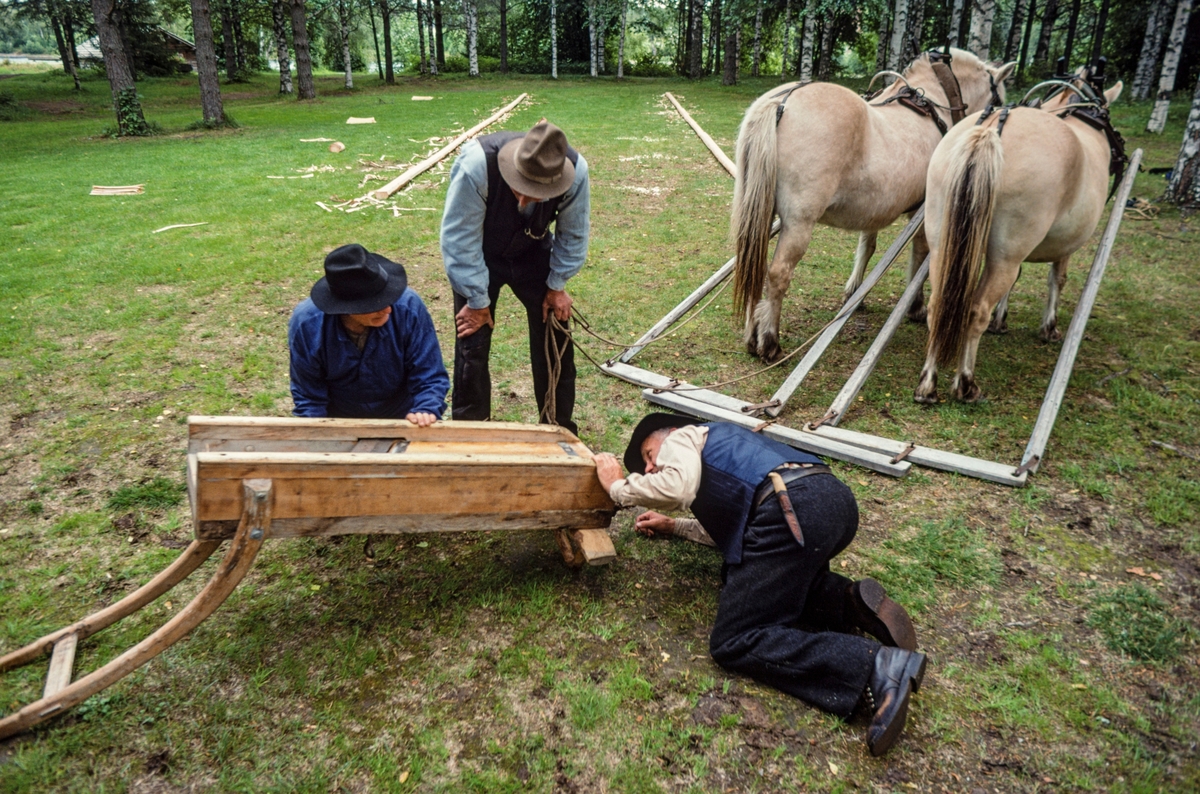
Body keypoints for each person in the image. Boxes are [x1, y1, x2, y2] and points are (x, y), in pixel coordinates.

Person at [593, 414, 927, 757]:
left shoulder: (683, 438)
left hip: (791, 512)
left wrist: (616, 486)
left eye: (649, 455)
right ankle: (847, 601)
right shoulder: (727, 444)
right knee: (745, 572)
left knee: (733, 640)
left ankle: (876, 666)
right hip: (831, 502)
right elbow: (740, 529)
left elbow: (678, 489)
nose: (650, 468)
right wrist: (675, 526)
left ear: (671, 433)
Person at [441, 120, 590, 435]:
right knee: (473, 335)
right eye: (519, 189)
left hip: (533, 250)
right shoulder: (475, 165)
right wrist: (477, 300)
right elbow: (459, 240)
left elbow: (574, 234)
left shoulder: (576, 173)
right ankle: (471, 431)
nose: (523, 202)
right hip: (478, 253)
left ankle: (557, 428)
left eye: (536, 195)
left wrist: (557, 285)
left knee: (555, 329)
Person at [288, 243, 449, 424]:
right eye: (375, 305)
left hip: (404, 417)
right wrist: (319, 433)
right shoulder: (307, 323)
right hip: (339, 420)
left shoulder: (409, 307)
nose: (388, 309)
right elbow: (309, 396)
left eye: (388, 299)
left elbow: (429, 374)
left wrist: (425, 409)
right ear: (346, 308)